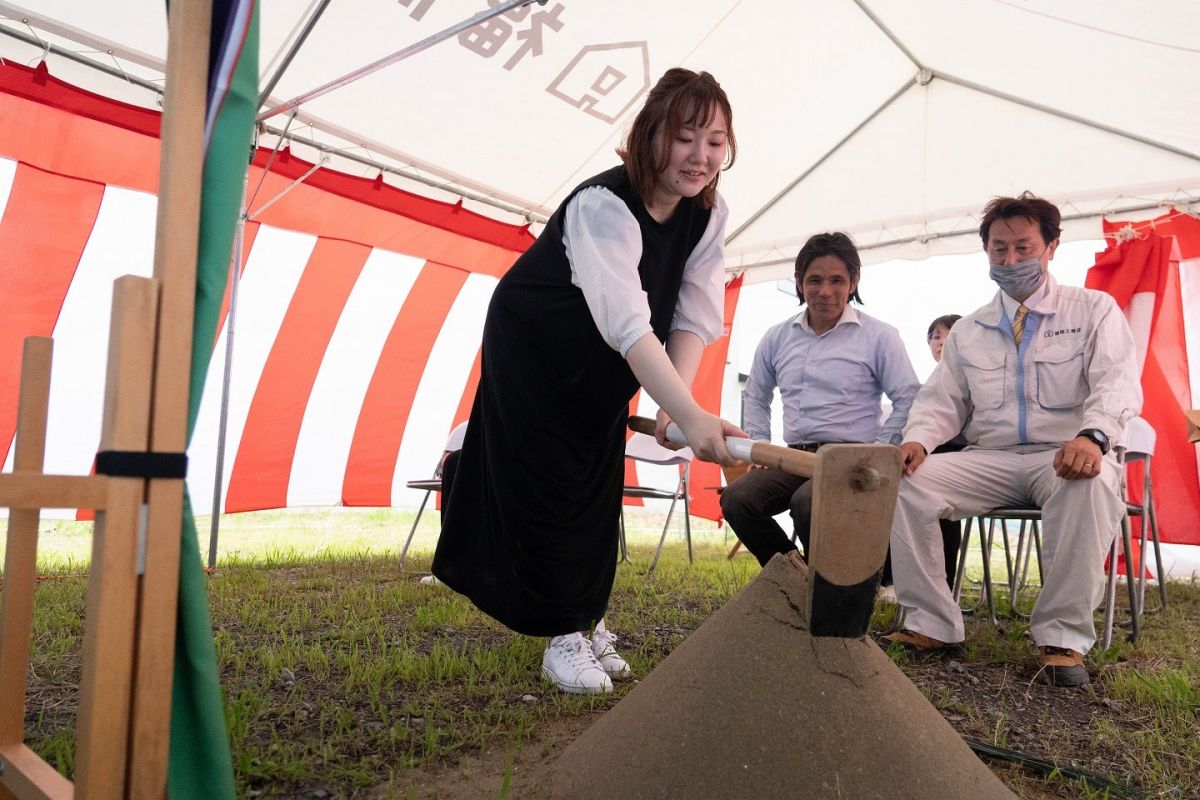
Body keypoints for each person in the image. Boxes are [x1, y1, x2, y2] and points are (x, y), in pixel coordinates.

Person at [431, 69, 745, 696]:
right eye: (686, 137)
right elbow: (629, 324)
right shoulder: (603, 206)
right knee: (551, 481)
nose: (701, 157)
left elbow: (693, 314)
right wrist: (688, 410)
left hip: (603, 354)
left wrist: (677, 411)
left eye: (715, 141)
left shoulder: (708, 215)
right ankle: (561, 634)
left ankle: (585, 614)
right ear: (651, 135)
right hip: (537, 344)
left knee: (596, 477)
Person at [884, 193, 1141, 687]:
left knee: (1089, 483)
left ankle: (1062, 639)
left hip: (1065, 455)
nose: (1011, 260)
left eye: (1024, 247)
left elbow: (1118, 382)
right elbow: (943, 401)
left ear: (1052, 246)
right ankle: (931, 623)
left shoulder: (1093, 310)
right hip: (992, 460)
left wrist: (1093, 437)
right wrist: (917, 440)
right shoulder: (971, 329)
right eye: (999, 249)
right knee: (905, 481)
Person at [719, 232, 919, 568]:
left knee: (808, 502)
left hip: (851, 459)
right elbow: (755, 395)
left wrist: (882, 453)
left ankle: (833, 589)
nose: (825, 291)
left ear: (853, 282)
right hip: (792, 457)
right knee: (738, 499)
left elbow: (908, 396)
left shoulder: (879, 336)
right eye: (814, 280)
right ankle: (794, 578)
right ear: (799, 282)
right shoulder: (777, 337)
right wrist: (760, 446)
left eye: (837, 280)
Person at [927, 313, 966, 590]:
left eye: (947, 334)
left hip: (966, 458)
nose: (940, 341)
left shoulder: (977, 375)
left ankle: (943, 582)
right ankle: (889, 578)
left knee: (934, 488)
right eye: (935, 336)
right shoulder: (927, 383)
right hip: (932, 456)